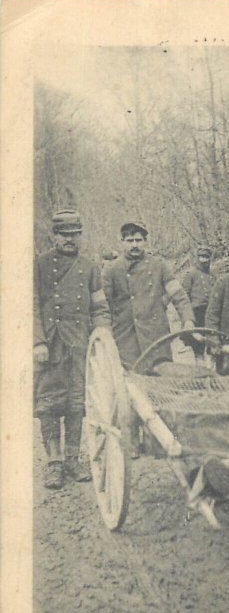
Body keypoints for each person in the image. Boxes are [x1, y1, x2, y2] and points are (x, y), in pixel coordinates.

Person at [102, 220, 195, 456]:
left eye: (139, 240)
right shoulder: (112, 270)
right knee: (129, 388)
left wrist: (188, 320)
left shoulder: (160, 266)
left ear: (146, 241)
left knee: (159, 385)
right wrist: (107, 333)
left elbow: (179, 296)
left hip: (156, 337)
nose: (134, 245)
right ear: (122, 243)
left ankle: (157, 440)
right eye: (130, 240)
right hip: (126, 338)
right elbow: (104, 307)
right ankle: (131, 440)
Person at [33, 209, 112, 489]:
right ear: (54, 236)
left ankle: (72, 458)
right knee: (49, 403)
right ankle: (53, 463)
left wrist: (102, 335)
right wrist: (38, 341)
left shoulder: (90, 267)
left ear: (80, 236)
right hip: (50, 346)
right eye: (63, 234)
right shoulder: (40, 265)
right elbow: (29, 305)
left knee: (77, 402)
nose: (69, 240)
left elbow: (100, 307)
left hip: (79, 344)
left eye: (73, 234)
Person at [181, 244, 215, 328]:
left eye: (206, 257)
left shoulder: (213, 276)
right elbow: (185, 295)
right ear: (197, 258)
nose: (204, 260)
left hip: (209, 311)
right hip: (195, 311)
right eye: (201, 257)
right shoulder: (191, 274)